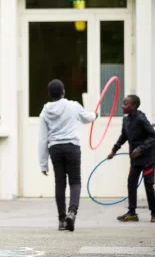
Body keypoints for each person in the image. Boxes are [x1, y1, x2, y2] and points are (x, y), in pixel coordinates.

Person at [38, 79, 98, 232]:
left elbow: (43, 138)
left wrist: (43, 163)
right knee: (75, 181)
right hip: (72, 147)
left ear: (49, 94)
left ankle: (61, 220)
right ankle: (72, 213)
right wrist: (95, 115)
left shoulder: (45, 111)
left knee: (60, 182)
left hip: (55, 148)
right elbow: (87, 118)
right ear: (63, 91)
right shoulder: (73, 105)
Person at [107, 94, 155, 223]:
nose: (122, 106)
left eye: (125, 104)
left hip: (147, 158)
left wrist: (140, 149)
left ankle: (154, 213)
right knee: (131, 183)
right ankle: (132, 213)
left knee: (148, 185)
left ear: (133, 106)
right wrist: (113, 150)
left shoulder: (141, 118)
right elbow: (123, 137)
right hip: (135, 159)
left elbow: (153, 136)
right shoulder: (126, 120)